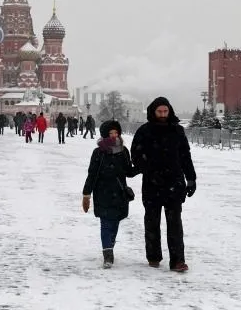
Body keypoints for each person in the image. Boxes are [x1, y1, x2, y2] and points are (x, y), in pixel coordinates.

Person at [131, 97, 197, 273]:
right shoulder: (144, 131)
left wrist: (191, 178)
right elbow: (136, 156)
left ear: (170, 111)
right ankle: (153, 256)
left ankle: (177, 260)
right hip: (152, 184)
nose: (162, 114)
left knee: (175, 223)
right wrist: (149, 168)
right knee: (152, 222)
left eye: (165, 111)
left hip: (174, 183)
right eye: (159, 111)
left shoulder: (177, 131)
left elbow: (185, 156)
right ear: (153, 112)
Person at [82, 120, 138, 268]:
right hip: (103, 192)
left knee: (115, 222)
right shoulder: (99, 152)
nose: (114, 136)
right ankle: (108, 254)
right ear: (105, 135)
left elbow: (129, 171)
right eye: (110, 133)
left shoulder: (123, 151)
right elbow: (92, 174)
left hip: (119, 193)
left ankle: (110, 246)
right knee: (106, 223)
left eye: (116, 133)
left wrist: (142, 164)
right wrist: (86, 194)